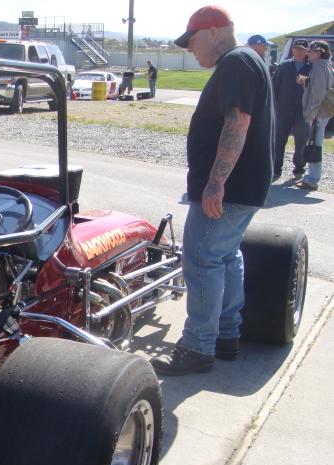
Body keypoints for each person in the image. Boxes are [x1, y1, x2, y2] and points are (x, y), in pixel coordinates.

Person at [151, 5, 273, 375]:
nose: (190, 48)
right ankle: (225, 335)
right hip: (242, 187)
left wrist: (216, 184)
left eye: (192, 40)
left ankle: (197, 347)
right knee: (225, 257)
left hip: (229, 189)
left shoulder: (236, 63)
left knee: (202, 259)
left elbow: (238, 122)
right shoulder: (245, 61)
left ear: (215, 32)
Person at [272, 39, 311, 182]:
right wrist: (273, 107)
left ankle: (299, 170)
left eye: (301, 49)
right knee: (279, 140)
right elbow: (274, 86)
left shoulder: (312, 66)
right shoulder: (284, 66)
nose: (298, 51)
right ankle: (276, 169)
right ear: (292, 49)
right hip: (283, 110)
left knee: (301, 142)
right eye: (296, 48)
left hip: (303, 111)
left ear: (307, 51)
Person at [297, 40, 333, 192]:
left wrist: (312, 112)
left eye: (311, 51)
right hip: (323, 111)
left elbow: (318, 93)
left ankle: (312, 179)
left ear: (319, 52)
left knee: (315, 145)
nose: (308, 54)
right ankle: (312, 177)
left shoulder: (319, 67)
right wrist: (307, 81)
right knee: (315, 144)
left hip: (318, 112)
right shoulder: (326, 65)